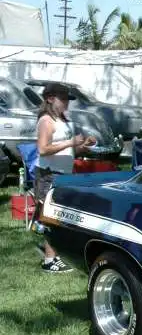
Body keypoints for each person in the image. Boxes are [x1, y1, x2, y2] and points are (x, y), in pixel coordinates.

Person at [35, 82, 95, 273]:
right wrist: (70, 142)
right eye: (62, 99)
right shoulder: (46, 121)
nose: (66, 103)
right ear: (50, 99)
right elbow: (43, 149)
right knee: (51, 216)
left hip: (64, 174)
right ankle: (49, 260)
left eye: (67, 99)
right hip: (49, 174)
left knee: (59, 215)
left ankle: (54, 253)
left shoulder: (62, 120)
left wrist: (82, 146)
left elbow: (67, 149)